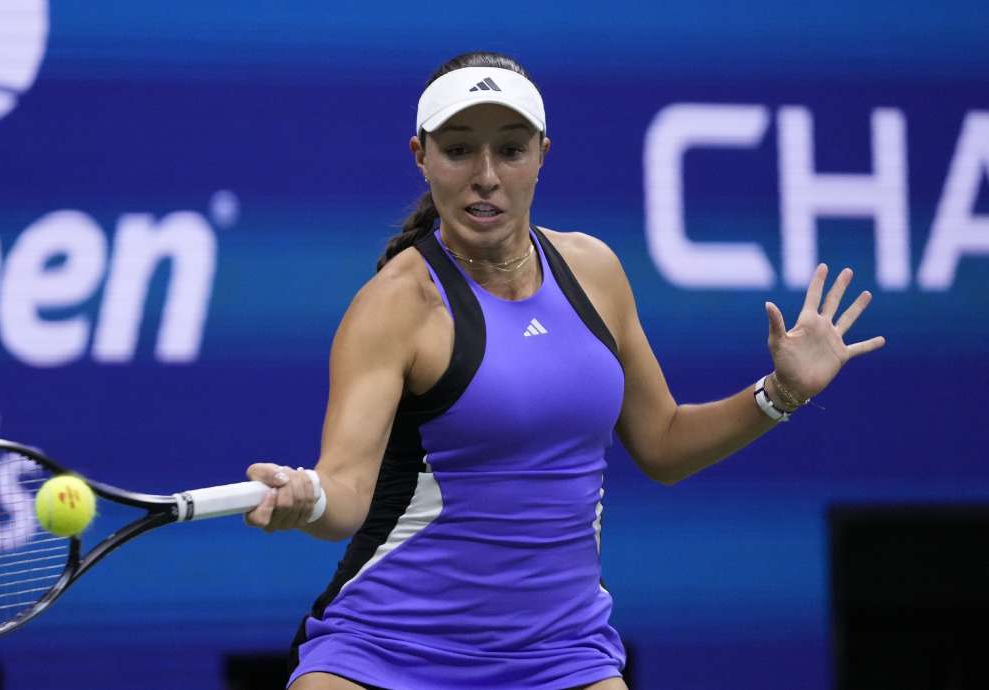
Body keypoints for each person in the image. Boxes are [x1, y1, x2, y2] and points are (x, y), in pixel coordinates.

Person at [244, 51, 885, 690]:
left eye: (511, 150)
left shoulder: (595, 271)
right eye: (460, 150)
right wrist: (310, 498)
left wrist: (782, 393)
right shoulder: (394, 305)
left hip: (562, 658)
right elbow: (347, 496)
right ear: (422, 156)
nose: (486, 176)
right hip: (386, 653)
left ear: (542, 155)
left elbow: (662, 443)